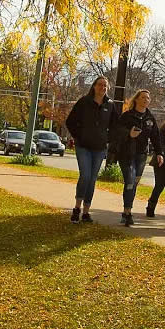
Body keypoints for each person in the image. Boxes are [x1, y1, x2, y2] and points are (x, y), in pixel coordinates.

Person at [65, 76, 118, 223]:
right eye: (100, 85)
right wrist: (78, 137)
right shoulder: (84, 102)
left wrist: (107, 139)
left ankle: (86, 212)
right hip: (83, 146)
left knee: (92, 179)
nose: (103, 88)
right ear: (94, 86)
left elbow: (116, 126)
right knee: (85, 176)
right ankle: (77, 208)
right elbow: (70, 122)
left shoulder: (110, 105)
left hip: (99, 148)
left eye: (105, 86)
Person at [114, 89, 164, 226]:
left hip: (141, 156)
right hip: (126, 154)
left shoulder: (150, 118)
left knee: (133, 184)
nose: (145, 100)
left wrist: (159, 153)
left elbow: (156, 137)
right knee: (129, 181)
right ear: (136, 99)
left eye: (148, 98)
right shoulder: (127, 116)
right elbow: (117, 132)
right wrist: (128, 134)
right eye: (143, 97)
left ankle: (126, 211)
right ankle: (128, 212)